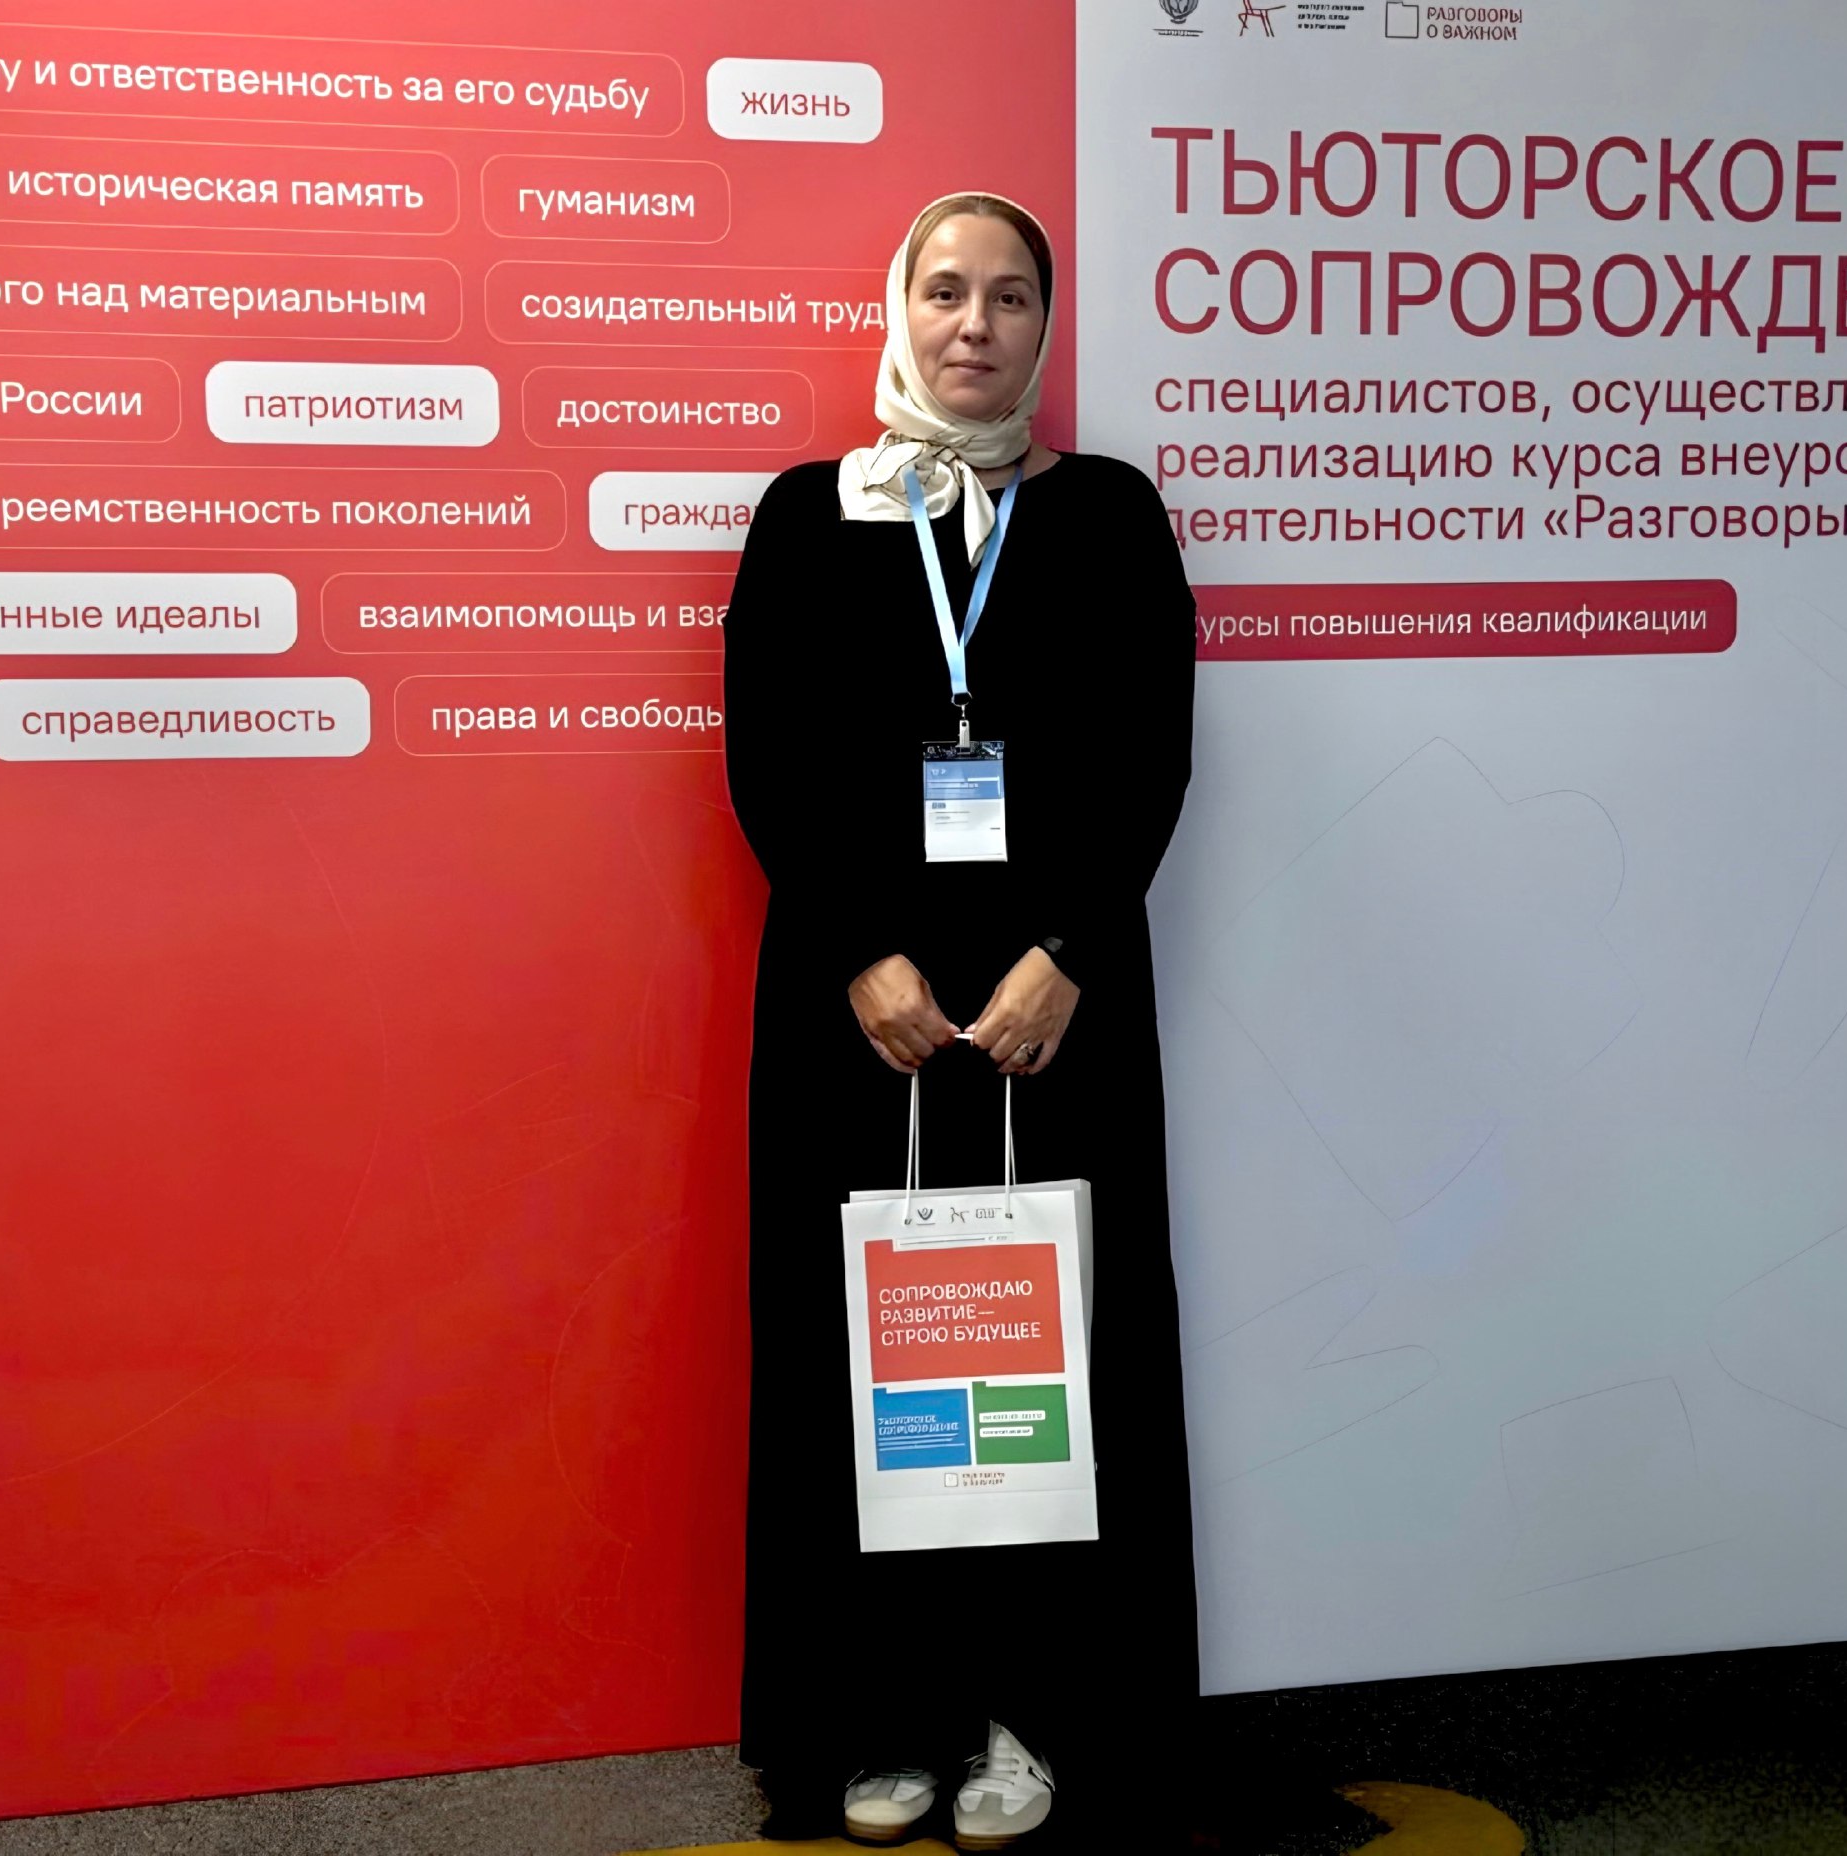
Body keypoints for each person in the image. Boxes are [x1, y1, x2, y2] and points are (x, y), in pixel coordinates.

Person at [723, 192, 1201, 1849]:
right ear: (901, 310)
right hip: (861, 1019)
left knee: (1041, 1361)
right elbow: (769, 759)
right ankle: (884, 1714)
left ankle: (1031, 1713)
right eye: (944, 291)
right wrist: (861, 955)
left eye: (1008, 297)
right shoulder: (809, 518)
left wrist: (1067, 951)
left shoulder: (1111, 516)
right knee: (870, 1358)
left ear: (1045, 328)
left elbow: (1150, 755)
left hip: (1051, 1018)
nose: (973, 325)